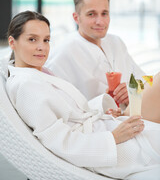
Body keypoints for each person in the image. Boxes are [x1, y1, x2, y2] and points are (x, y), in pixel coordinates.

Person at [6, 11, 160, 180]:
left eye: (46, 40)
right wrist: (113, 137)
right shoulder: (26, 85)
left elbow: (74, 113)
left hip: (103, 127)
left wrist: (105, 111)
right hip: (104, 147)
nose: (42, 47)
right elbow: (58, 140)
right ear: (12, 42)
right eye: (32, 39)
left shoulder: (37, 73)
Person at [45, 0, 144, 106]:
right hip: (98, 120)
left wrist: (133, 90)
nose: (100, 21)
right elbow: (56, 102)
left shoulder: (116, 43)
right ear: (76, 18)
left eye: (104, 13)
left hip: (131, 114)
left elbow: (144, 80)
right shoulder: (64, 52)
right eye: (91, 14)